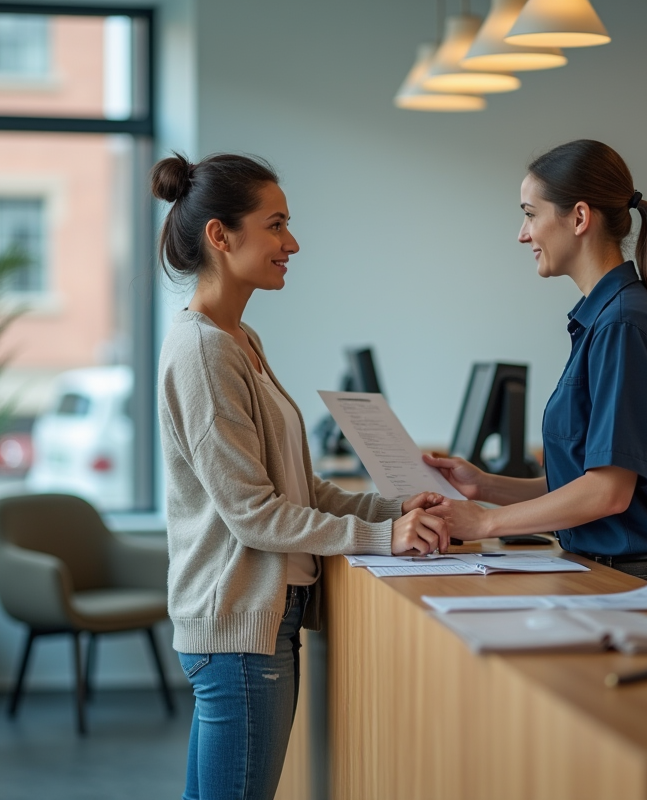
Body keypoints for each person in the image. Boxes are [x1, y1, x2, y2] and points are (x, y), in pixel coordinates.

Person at [154, 152, 450, 800]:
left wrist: (390, 511)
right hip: (240, 633)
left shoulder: (239, 341)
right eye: (276, 224)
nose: (292, 243)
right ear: (220, 236)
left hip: (248, 628)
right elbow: (253, 514)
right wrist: (384, 540)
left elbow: (298, 492)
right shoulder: (205, 351)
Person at [424, 139, 647, 599]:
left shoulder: (624, 323)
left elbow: (607, 494)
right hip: (615, 576)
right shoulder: (606, 319)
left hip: (643, 583)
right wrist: (485, 486)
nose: (523, 234)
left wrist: (486, 522)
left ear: (579, 218)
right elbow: (587, 484)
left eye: (530, 213)